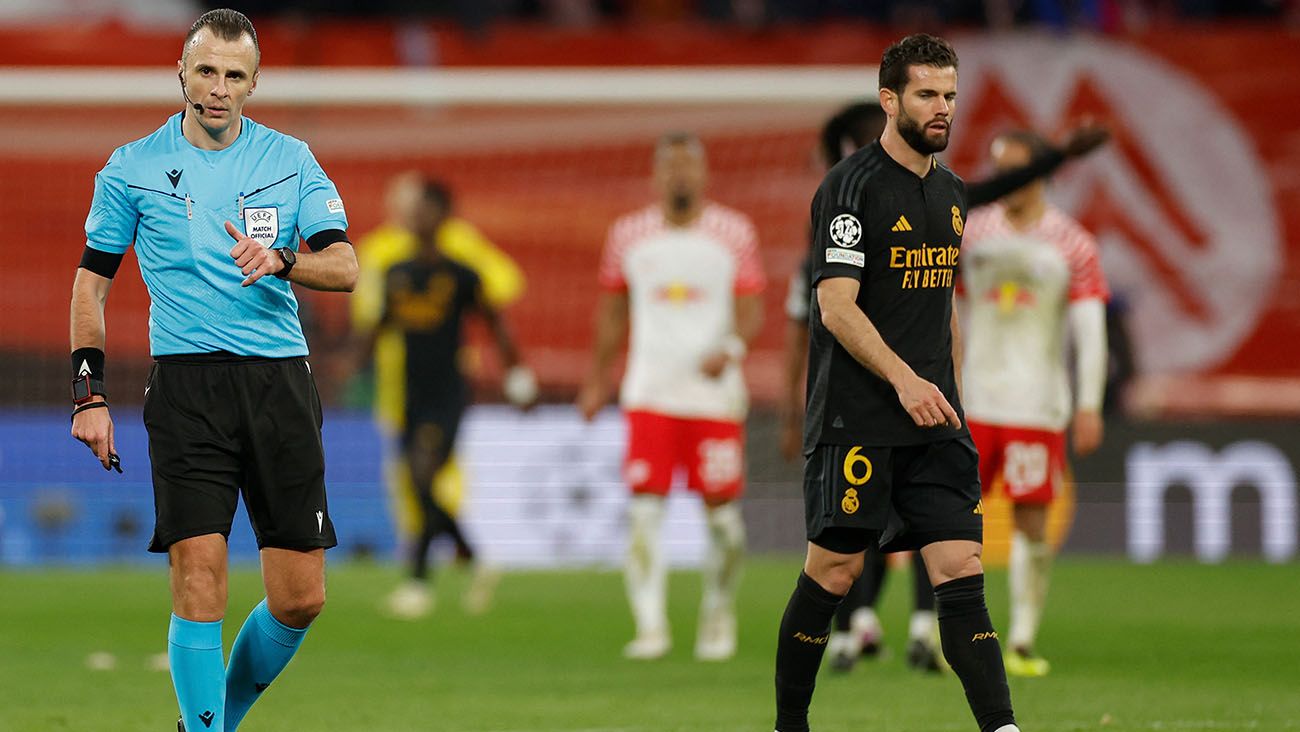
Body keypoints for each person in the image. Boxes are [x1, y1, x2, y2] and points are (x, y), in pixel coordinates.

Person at [68, 9, 357, 732]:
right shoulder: (130, 167)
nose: (218, 88)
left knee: (301, 597)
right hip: (187, 386)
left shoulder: (291, 160)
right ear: (181, 74)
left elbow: (346, 265)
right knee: (199, 578)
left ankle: (214, 722)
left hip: (279, 382)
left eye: (234, 75)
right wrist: (88, 394)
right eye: (206, 71)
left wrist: (284, 259)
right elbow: (91, 285)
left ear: (253, 84)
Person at [781, 102, 1110, 674]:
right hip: (914, 400)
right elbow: (865, 305)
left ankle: (987, 640)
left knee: (970, 532)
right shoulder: (893, 210)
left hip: (992, 400)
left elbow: (1080, 323)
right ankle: (879, 630)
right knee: (881, 535)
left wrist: (1086, 402)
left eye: (948, 96)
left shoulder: (1034, 230)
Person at [772, 34, 1020, 732]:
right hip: (859, 419)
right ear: (890, 100)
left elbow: (940, 304)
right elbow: (836, 307)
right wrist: (905, 379)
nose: (942, 108)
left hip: (935, 421)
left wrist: (949, 392)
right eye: (926, 95)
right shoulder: (849, 189)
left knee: (959, 568)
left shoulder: (949, 194)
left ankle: (1001, 727)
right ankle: (792, 722)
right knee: (833, 575)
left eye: (949, 95)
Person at [578, 131, 765, 661]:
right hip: (650, 392)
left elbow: (751, 308)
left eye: (689, 166)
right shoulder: (628, 235)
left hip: (714, 398)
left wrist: (729, 347)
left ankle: (718, 612)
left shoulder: (734, 232)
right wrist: (597, 379)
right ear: (656, 174)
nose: (680, 176)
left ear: (704, 174)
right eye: (671, 167)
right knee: (643, 516)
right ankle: (651, 628)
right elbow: (612, 311)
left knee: (724, 522)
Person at [960, 130, 1110, 677]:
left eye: (1016, 169)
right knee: (950, 516)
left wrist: (1089, 403)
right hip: (971, 401)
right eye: (999, 167)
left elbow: (1090, 328)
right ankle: (947, 630)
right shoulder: (970, 234)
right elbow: (939, 308)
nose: (1006, 181)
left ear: (1041, 173)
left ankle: (1021, 638)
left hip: (1036, 403)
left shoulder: (1072, 242)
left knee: (1030, 522)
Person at [359, 178, 537, 619]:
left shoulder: (461, 275)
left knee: (422, 478)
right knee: (418, 484)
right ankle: (472, 557)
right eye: (412, 209)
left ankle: (418, 583)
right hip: (407, 395)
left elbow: (497, 326)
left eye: (423, 209)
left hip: (448, 394)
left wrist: (517, 376)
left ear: (442, 216)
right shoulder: (397, 273)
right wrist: (342, 368)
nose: (414, 217)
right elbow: (379, 328)